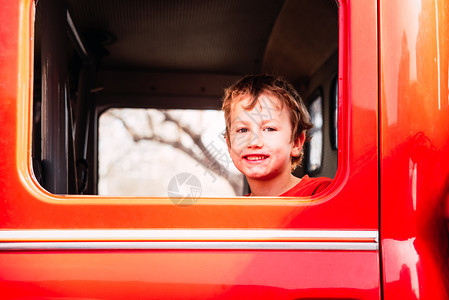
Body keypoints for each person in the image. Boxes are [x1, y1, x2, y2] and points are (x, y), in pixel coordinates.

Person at [222, 74, 331, 196]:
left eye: (269, 129)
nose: (253, 142)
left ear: (296, 143)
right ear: (229, 145)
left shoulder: (323, 194)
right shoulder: (235, 210)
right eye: (242, 130)